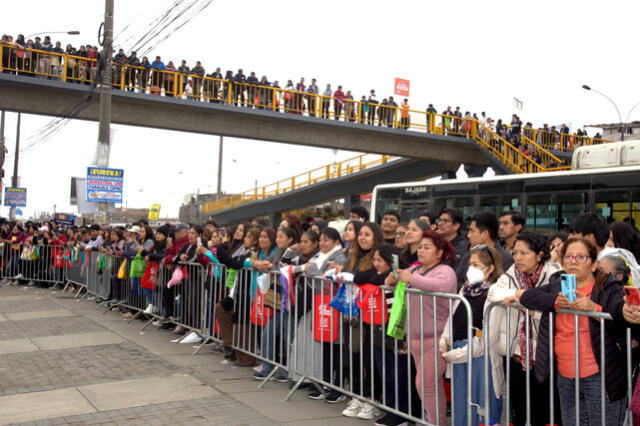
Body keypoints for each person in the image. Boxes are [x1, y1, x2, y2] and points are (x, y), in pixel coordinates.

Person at [510, 238, 627, 426]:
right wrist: (555, 303)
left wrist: (593, 308)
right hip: (566, 376)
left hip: (599, 374)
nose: (573, 261)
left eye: (581, 257)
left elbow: (619, 315)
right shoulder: (557, 283)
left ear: (594, 263)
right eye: (569, 257)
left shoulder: (607, 287)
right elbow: (528, 296)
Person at [486, 231, 561, 426]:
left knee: (547, 411)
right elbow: (494, 293)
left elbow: (556, 312)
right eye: (515, 252)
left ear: (539, 254)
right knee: (520, 411)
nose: (518, 258)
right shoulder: (509, 276)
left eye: (524, 253)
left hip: (547, 356)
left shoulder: (554, 276)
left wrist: (524, 303)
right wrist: (526, 299)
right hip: (516, 355)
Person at [385, 230, 457, 426]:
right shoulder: (416, 270)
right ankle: (434, 420)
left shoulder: (445, 271)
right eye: (420, 247)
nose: (421, 251)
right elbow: (394, 284)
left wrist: (410, 278)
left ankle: (435, 422)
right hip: (415, 338)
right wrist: (392, 280)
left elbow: (438, 286)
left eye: (427, 248)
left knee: (425, 384)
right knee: (428, 385)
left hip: (437, 337)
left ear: (440, 252)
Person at [440, 245, 504, 426]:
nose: (470, 269)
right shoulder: (465, 290)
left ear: (490, 268)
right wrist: (445, 339)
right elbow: (452, 318)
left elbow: (487, 338)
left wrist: (457, 355)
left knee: (481, 404)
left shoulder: (494, 294)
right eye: (469, 264)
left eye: (476, 264)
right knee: (462, 403)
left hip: (479, 357)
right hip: (459, 353)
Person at [456, 211, 514, 289]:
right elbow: (458, 282)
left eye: (472, 231)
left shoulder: (505, 259)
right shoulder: (468, 256)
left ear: (485, 234)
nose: (468, 235)